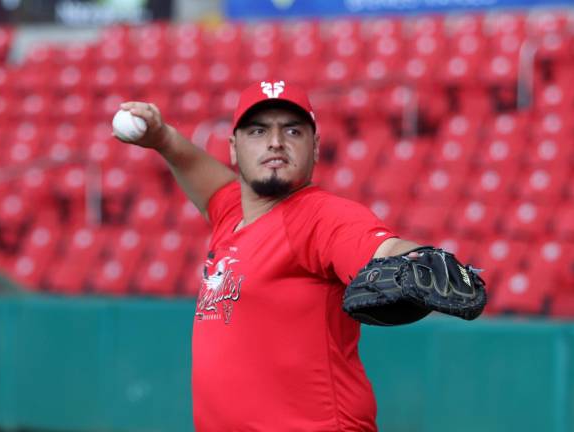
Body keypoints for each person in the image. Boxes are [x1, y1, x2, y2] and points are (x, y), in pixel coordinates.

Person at [117, 80, 421, 432]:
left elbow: (382, 250)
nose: (275, 141)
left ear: (316, 147)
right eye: (258, 131)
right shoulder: (232, 213)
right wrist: (163, 139)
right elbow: (201, 173)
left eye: (292, 130)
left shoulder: (320, 217)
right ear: (233, 149)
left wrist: (416, 261)